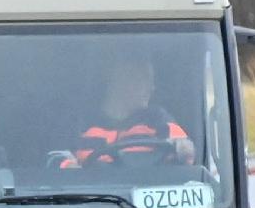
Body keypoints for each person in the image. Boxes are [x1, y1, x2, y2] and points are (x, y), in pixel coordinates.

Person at [58, 55, 195, 172]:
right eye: (144, 79)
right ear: (120, 81)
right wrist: (71, 169)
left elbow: (183, 147)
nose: (152, 88)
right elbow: (56, 159)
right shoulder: (81, 124)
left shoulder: (157, 120)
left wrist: (184, 147)